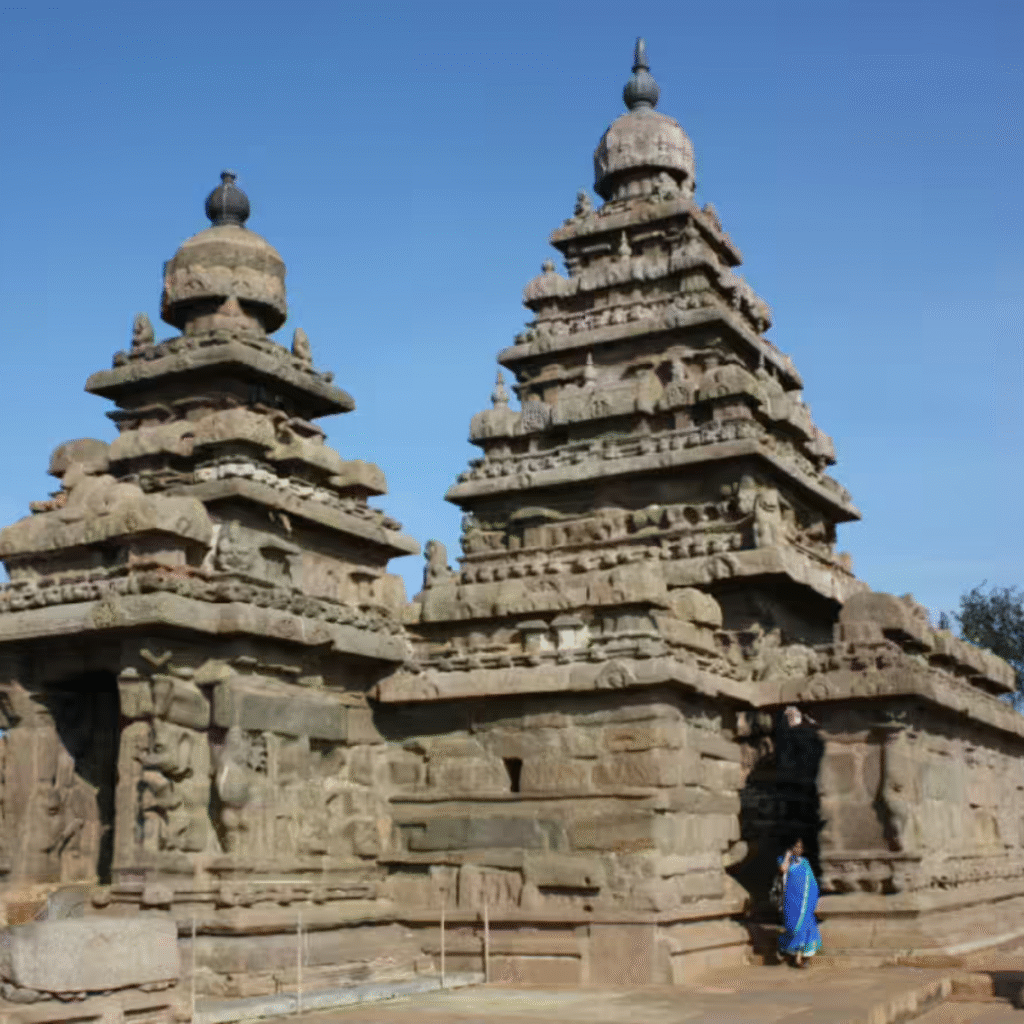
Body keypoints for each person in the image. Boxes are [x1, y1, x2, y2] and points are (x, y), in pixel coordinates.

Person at [777, 837, 822, 967]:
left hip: (805, 900)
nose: (799, 850)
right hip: (791, 901)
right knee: (793, 928)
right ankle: (788, 950)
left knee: (805, 926)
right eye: (796, 847)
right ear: (790, 847)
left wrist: (812, 898)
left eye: (800, 847)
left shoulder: (805, 862)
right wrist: (787, 856)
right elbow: (783, 870)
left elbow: (811, 882)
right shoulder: (783, 860)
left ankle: (801, 958)